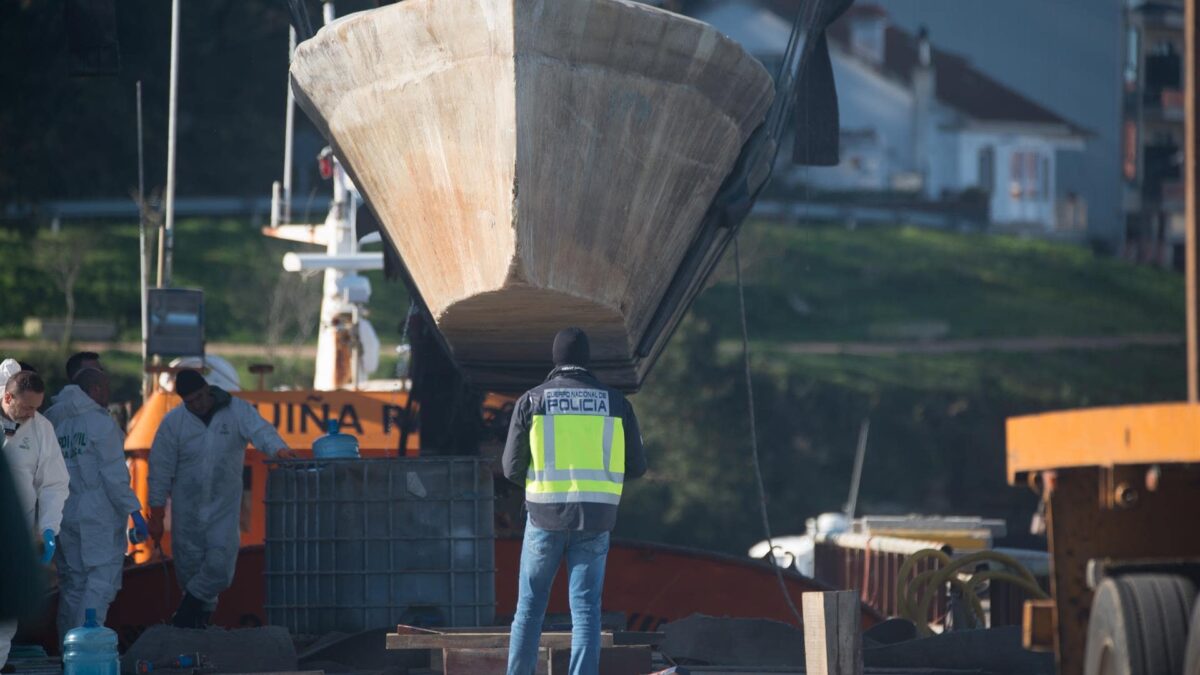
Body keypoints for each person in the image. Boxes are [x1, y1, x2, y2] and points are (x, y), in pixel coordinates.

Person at [501, 328, 647, 675]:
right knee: (585, 611)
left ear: (556, 360)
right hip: (596, 520)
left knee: (529, 608)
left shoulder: (532, 401)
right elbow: (638, 467)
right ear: (586, 361)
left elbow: (509, 468)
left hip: (543, 517)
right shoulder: (616, 403)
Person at [147, 370, 295, 628]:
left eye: (201, 397)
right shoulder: (174, 424)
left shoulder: (237, 411)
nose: (198, 404)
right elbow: (159, 471)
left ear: (208, 389)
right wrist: (157, 515)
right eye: (190, 401)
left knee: (220, 569)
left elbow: (261, 431)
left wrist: (279, 450)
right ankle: (198, 625)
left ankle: (183, 618)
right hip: (187, 513)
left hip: (222, 511)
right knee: (190, 573)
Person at [44, 368, 146, 642]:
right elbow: (114, 477)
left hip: (65, 515)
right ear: (97, 389)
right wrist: (135, 512)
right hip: (97, 516)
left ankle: (67, 648)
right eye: (106, 388)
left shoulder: (54, 421)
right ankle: (84, 651)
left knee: (73, 585)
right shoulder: (100, 424)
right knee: (100, 582)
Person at [0, 365, 69, 669]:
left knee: (6, 620)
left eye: (36, 408)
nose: (31, 414)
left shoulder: (41, 429)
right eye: (26, 407)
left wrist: (49, 527)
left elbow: (54, 483)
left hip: (15, 538)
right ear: (7, 397)